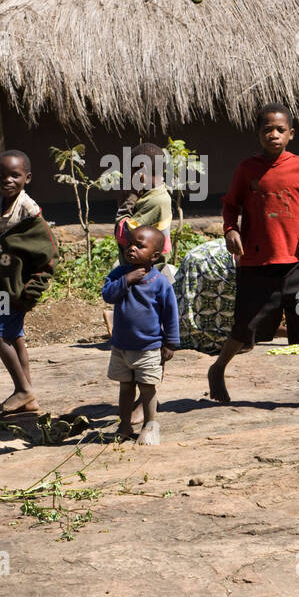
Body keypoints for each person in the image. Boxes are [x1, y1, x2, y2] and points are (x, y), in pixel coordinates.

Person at [208, 103, 299, 419]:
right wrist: (230, 230)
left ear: (291, 134)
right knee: (244, 330)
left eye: (280, 129)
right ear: (259, 134)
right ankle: (218, 368)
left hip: (296, 265)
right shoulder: (247, 169)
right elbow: (230, 206)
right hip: (256, 266)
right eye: (268, 129)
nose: (274, 134)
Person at [0, 149, 58, 416]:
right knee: (15, 338)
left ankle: (23, 390)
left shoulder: (28, 213)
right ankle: (28, 395)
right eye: (2, 175)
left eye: (15, 175)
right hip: (2, 289)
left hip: (15, 292)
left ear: (27, 178)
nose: (8, 180)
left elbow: (49, 254)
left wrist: (31, 291)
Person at [101, 225, 179, 445]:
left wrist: (171, 343)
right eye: (130, 244)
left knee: (147, 387)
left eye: (139, 246)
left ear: (154, 255)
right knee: (125, 387)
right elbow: (108, 294)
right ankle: (124, 424)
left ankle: (149, 425)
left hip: (149, 347)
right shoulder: (119, 274)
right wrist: (127, 280)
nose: (131, 249)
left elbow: (170, 314)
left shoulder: (160, 283)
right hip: (121, 347)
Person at [115, 142, 173, 260]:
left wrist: (130, 198)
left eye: (130, 171)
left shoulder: (155, 201)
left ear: (141, 171)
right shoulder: (153, 193)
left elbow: (123, 234)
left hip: (146, 270)